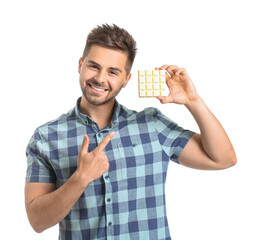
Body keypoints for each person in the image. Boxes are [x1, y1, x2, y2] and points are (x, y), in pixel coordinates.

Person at [25, 24, 237, 240]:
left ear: (126, 80)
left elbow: (223, 159)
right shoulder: (46, 137)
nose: (100, 78)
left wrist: (193, 101)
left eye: (113, 71)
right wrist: (80, 179)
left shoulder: (152, 125)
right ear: (80, 65)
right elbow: (37, 221)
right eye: (93, 66)